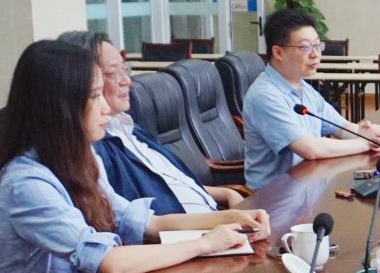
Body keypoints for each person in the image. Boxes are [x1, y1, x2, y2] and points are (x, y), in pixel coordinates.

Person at [0, 41, 269, 273]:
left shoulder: (80, 159)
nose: (105, 108)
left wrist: (226, 217)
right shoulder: (27, 183)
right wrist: (204, 244)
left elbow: (146, 223)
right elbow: (109, 262)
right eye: (94, 96)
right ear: (61, 107)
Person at [57, 30, 245, 215]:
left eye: (125, 69)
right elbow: (137, 222)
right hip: (191, 230)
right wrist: (221, 221)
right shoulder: (93, 150)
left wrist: (225, 194)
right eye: (113, 73)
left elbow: (170, 183)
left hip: (215, 217)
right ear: (82, 82)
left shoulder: (127, 126)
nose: (127, 81)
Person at [244, 8, 380, 189]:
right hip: (273, 197)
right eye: (305, 47)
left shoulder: (304, 88)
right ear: (278, 52)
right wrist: (364, 143)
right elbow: (310, 149)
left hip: (308, 185)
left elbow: (341, 128)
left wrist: (364, 133)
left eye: (317, 45)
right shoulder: (264, 96)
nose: (316, 54)